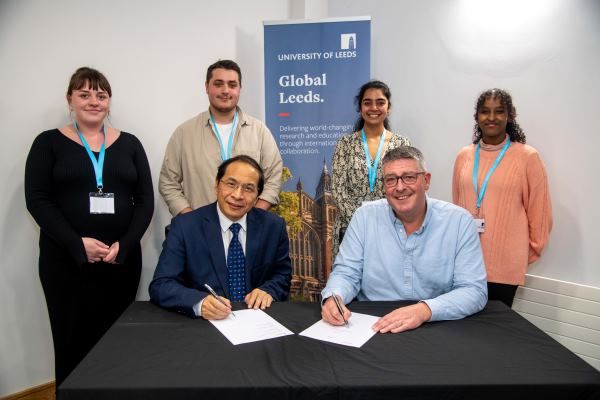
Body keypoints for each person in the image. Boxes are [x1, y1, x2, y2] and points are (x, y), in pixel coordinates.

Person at [24, 67, 154, 386]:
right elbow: (37, 199)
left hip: (119, 262)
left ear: (109, 102)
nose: (93, 101)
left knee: (116, 341)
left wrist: (125, 244)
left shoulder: (131, 145)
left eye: (101, 95)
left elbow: (146, 200)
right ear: (70, 99)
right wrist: (76, 243)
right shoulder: (47, 143)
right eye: (84, 94)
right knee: (71, 341)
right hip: (66, 263)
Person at [322, 146, 487, 333]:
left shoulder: (459, 222)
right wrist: (334, 297)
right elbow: (346, 272)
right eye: (391, 180)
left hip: (435, 323)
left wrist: (425, 310)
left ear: (426, 181)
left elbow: (474, 290)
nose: (400, 187)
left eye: (409, 177)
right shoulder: (364, 217)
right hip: (372, 325)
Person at [150, 155, 292, 319]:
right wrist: (200, 303)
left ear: (257, 196)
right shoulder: (185, 226)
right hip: (204, 327)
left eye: (248, 188)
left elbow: (282, 275)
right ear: (217, 185)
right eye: (231, 184)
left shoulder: (273, 227)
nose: (238, 195)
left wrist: (268, 290)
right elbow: (161, 285)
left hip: (257, 322)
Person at [453, 89, 552, 307]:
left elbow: (540, 215)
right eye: (485, 111)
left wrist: (520, 256)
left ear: (510, 116)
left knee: (495, 332)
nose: (491, 117)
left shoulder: (527, 157)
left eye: (499, 111)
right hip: (464, 263)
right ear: (476, 117)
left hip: (504, 267)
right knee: (464, 330)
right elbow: (456, 209)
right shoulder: (464, 156)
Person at [159, 59, 283, 217]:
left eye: (232, 85)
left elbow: (275, 176)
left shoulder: (259, 131)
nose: (225, 90)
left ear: (239, 89)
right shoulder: (184, 133)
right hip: (201, 231)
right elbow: (167, 182)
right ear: (206, 87)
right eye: (218, 84)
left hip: (248, 231)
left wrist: (255, 215)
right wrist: (191, 219)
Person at [331, 80, 410, 261]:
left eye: (380, 102)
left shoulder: (402, 144)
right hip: (350, 227)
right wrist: (363, 223)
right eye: (367, 103)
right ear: (360, 107)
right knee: (349, 284)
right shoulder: (345, 144)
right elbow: (338, 190)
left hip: (391, 227)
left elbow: (405, 188)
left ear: (389, 107)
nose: (373, 107)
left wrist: (384, 223)